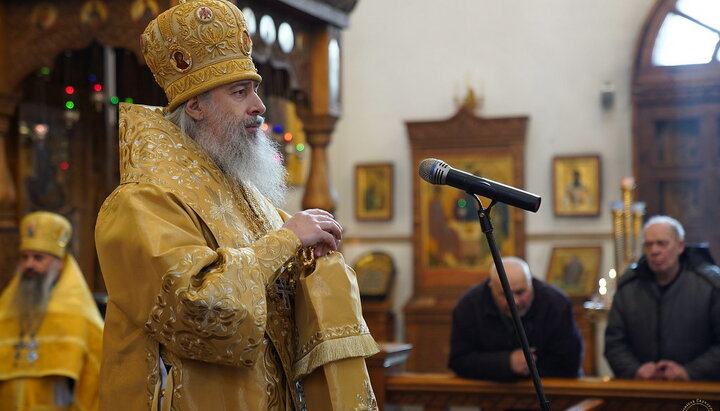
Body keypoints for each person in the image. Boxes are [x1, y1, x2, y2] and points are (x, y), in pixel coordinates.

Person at [94, 1, 378, 410]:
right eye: (240, 92)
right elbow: (193, 312)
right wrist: (285, 243)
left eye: (255, 89)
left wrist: (308, 262)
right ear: (195, 106)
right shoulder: (141, 202)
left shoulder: (246, 196)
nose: (259, 106)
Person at [0, 211, 103, 410]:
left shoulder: (78, 312)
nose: (29, 264)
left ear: (60, 263)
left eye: (38, 258)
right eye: (25, 257)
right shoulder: (6, 308)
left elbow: (96, 372)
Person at [604, 215, 720, 381]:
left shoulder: (710, 286)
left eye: (662, 243)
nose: (654, 251)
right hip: (642, 391)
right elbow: (614, 343)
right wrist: (635, 370)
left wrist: (689, 372)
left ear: (680, 246)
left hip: (698, 390)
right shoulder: (628, 288)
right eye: (649, 245)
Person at [448, 256, 583, 381]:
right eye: (504, 294)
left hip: (553, 392)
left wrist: (530, 366)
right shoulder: (470, 305)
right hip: (495, 397)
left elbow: (570, 361)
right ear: (491, 288)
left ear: (531, 283)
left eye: (520, 292)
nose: (515, 302)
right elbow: (459, 360)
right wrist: (506, 362)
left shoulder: (556, 303)